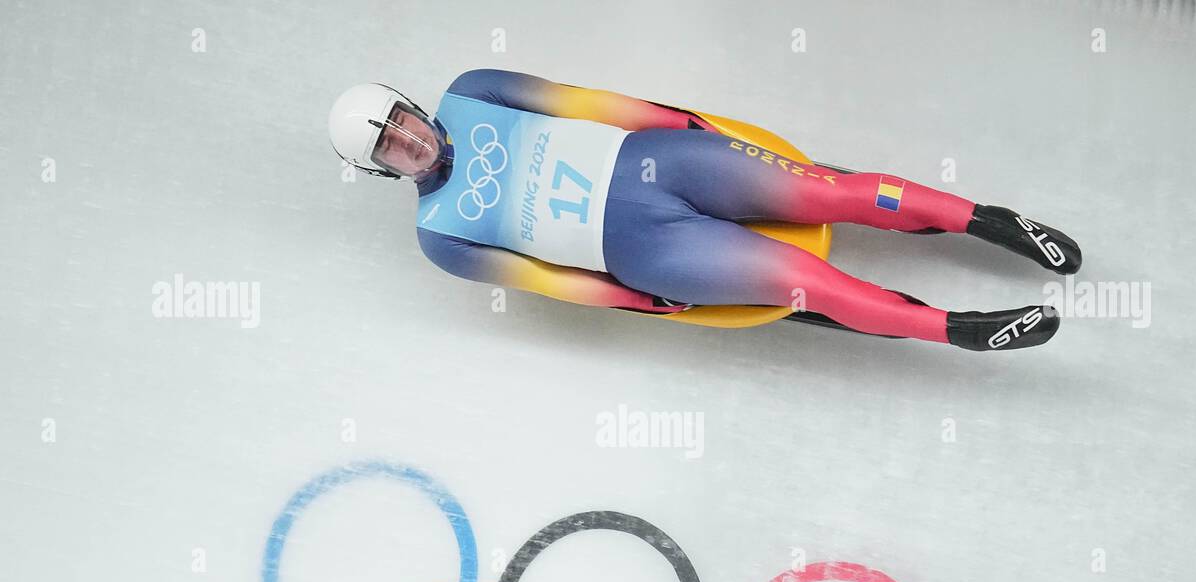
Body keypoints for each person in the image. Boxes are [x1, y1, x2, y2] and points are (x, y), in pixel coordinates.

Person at [328, 70, 1081, 351]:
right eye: (390, 149)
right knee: (809, 283)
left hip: (660, 162)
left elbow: (587, 102)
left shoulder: (475, 91)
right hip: (645, 250)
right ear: (382, 171)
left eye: (400, 121)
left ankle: (990, 220)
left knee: (831, 191)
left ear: (412, 104)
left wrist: (678, 120)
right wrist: (642, 302)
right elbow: (552, 282)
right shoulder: (441, 235)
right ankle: (958, 330)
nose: (410, 141)